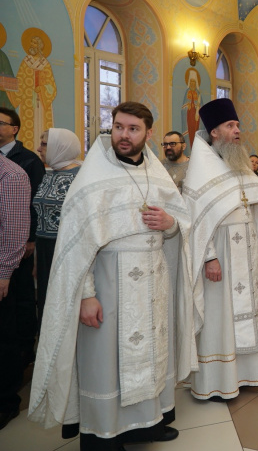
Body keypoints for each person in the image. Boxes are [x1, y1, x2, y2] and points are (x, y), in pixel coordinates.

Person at [28, 102, 196, 449]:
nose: (124, 135)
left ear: (148, 133)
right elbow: (77, 245)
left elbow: (181, 221)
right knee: (105, 364)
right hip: (108, 285)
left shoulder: (157, 173)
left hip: (152, 284)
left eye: (133, 129)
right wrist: (86, 295)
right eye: (118, 127)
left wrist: (170, 224)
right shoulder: (94, 176)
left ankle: (147, 423)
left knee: (151, 354)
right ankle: (104, 434)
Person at [183, 98, 258, 402]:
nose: (237, 130)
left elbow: (254, 208)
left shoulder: (237, 162)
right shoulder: (202, 170)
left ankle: (245, 374)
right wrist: (209, 256)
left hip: (243, 253)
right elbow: (196, 221)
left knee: (244, 312)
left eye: (237, 125)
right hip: (219, 255)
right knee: (220, 316)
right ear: (215, 132)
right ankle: (216, 381)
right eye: (230, 126)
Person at [0, 107, 45, 368]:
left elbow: (33, 204)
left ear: (14, 129)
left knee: (22, 297)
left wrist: (30, 240)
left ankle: (25, 349)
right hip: (8, 239)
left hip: (21, 239)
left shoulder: (26, 160)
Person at [32, 129, 82, 327]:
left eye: (44, 144)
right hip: (44, 249)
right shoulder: (49, 173)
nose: (38, 148)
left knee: (64, 304)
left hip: (67, 249)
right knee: (46, 302)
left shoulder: (79, 177)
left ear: (61, 147)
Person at [0, 154, 30, 431]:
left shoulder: (11, 175)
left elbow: (14, 230)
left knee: (2, 339)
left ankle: (6, 402)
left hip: (1, 271)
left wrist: (4, 272)